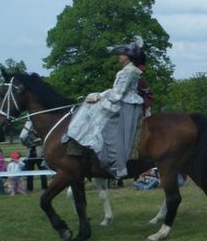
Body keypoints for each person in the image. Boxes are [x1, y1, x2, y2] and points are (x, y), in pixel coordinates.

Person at [65, 36, 145, 178]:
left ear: (127, 56)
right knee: (90, 109)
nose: (119, 57)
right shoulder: (125, 70)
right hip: (122, 101)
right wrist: (97, 95)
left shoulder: (130, 71)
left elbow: (118, 94)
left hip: (127, 105)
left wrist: (98, 97)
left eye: (121, 54)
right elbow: (115, 91)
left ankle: (112, 160)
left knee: (104, 124)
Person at [20, 121, 48, 193]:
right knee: (29, 173)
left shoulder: (41, 131)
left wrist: (34, 141)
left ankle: (44, 188)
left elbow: (42, 141)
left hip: (40, 156)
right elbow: (24, 142)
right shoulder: (27, 133)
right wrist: (34, 141)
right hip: (30, 155)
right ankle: (29, 189)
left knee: (43, 173)